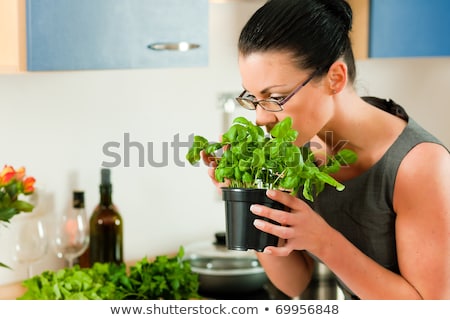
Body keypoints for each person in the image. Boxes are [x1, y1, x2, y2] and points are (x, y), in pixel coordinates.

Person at [204, 0, 450, 299]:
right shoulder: (301, 147)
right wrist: (247, 203)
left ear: (335, 78)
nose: (261, 118)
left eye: (276, 97)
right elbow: (295, 282)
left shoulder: (421, 165)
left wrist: (324, 241)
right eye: (253, 97)